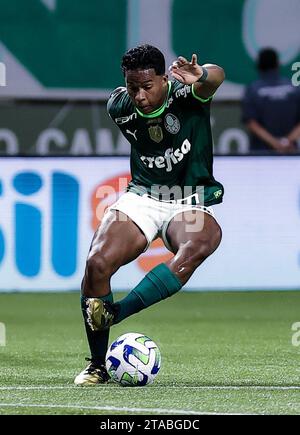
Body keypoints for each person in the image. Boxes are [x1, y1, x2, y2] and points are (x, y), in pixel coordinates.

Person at [74, 44, 225, 385]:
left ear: (163, 79)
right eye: (133, 87)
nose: (140, 96)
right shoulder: (119, 106)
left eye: (147, 86)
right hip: (143, 195)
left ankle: (117, 313)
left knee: (202, 242)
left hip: (188, 197)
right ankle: (98, 364)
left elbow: (216, 77)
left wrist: (202, 75)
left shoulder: (187, 95)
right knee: (97, 264)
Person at [242, 47, 300, 154]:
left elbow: (251, 122)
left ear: (259, 65)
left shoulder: (253, 89)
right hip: (290, 151)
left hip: (261, 153)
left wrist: (275, 143)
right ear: (278, 64)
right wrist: (286, 142)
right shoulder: (294, 88)